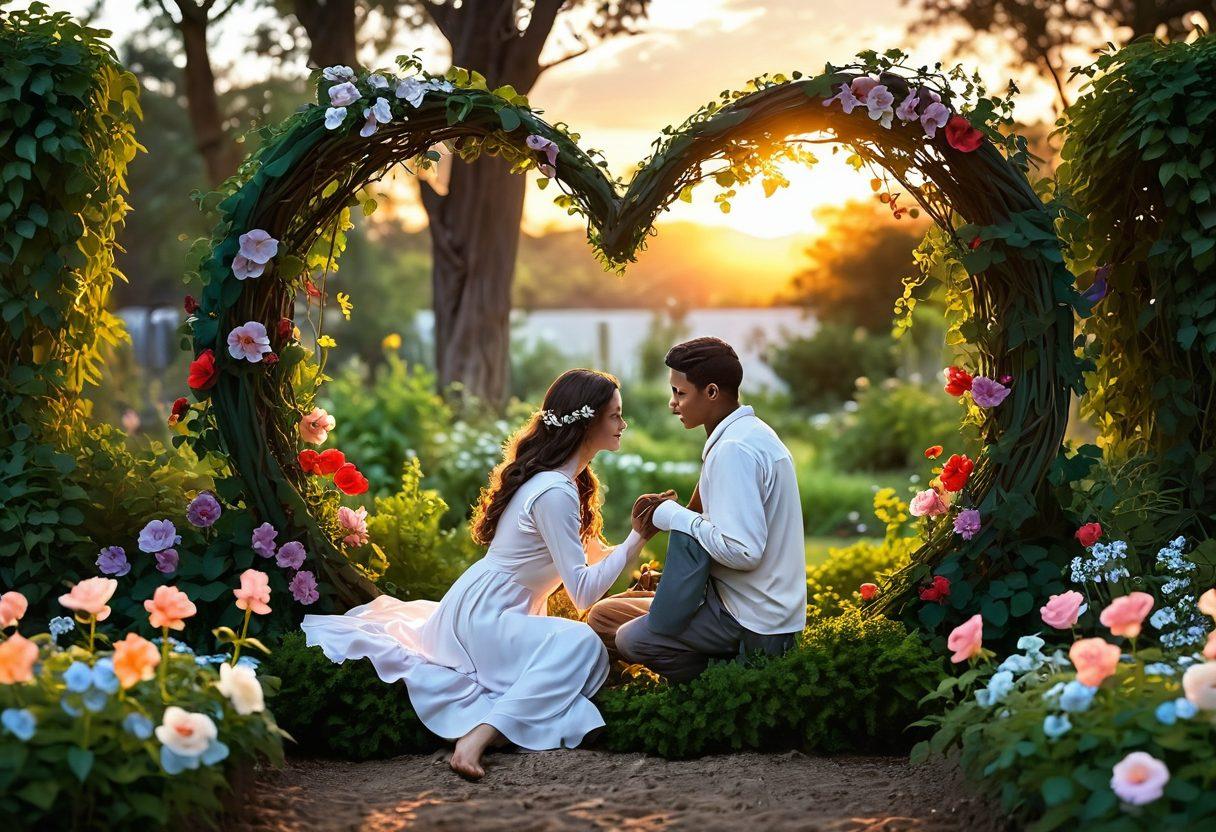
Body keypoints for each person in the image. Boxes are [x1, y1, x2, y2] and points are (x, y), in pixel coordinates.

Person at [301, 369, 652, 779]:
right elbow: (584, 593)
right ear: (586, 423)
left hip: (489, 607)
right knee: (583, 644)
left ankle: (498, 722)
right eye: (615, 415)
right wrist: (638, 538)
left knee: (579, 653)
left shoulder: (563, 483)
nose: (623, 424)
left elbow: (593, 557)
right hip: (488, 616)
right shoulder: (555, 491)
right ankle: (481, 735)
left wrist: (633, 544)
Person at [588, 337, 807, 682]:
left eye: (680, 393)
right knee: (604, 615)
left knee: (631, 638)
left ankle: (722, 681)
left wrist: (673, 515)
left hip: (752, 619)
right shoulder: (744, 434)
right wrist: (673, 575)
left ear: (712, 392)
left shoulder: (735, 450)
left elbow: (744, 552)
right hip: (730, 599)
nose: (673, 403)